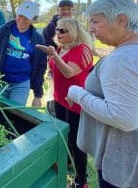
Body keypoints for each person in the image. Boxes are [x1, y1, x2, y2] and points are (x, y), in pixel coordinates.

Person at [66, 0, 138, 187]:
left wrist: (77, 93)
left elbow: (123, 118)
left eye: (96, 21)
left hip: (124, 167)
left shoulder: (124, 59)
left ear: (122, 21)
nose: (90, 28)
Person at [36, 18, 94, 188]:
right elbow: (56, 69)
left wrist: (53, 55)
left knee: (77, 142)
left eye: (63, 31)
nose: (58, 33)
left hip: (75, 102)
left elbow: (69, 72)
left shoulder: (83, 49)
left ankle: (81, 180)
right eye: (57, 30)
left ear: (74, 32)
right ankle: (67, 164)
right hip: (60, 99)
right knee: (63, 135)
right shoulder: (61, 48)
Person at [0, 0, 47, 107]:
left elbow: (40, 67)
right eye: (20, 15)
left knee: (15, 115)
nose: (21, 20)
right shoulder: (4, 30)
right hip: (0, 81)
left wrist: (38, 95)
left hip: (21, 84)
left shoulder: (38, 39)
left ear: (33, 19)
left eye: (27, 18)